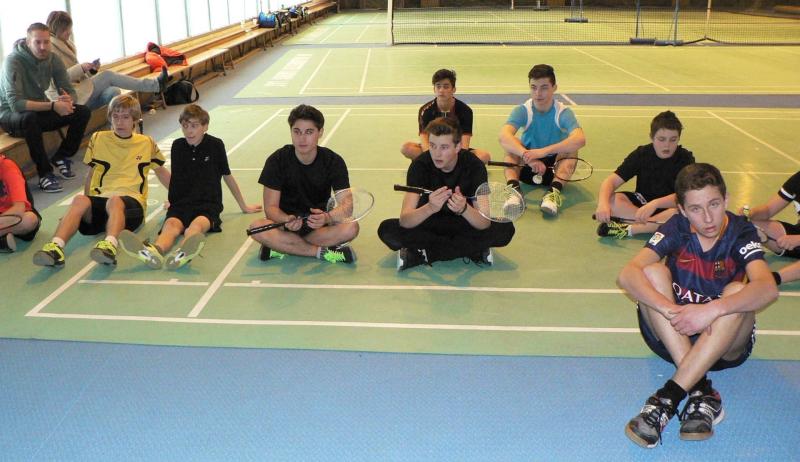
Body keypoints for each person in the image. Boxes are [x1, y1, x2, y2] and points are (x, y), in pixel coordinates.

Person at [617, 163, 778, 448]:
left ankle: (668, 398)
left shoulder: (740, 232)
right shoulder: (675, 228)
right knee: (651, 272)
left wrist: (711, 310)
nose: (707, 218)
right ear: (681, 210)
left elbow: (767, 287)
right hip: (672, 335)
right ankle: (703, 392)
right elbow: (627, 275)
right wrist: (670, 310)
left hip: (724, 346)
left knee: (737, 292)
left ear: (726, 200)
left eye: (714, 204)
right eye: (695, 209)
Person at [32, 94, 170, 267]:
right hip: (102, 202)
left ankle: (109, 246)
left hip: (131, 206)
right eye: (115, 116)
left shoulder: (146, 142)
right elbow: (91, 175)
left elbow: (162, 173)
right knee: (79, 200)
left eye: (125, 117)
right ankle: (55, 248)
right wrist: (78, 211)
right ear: (110, 118)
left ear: (135, 119)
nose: (119, 122)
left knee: (115, 201)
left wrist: (178, 200)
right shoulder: (98, 138)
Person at [118, 104, 261, 270]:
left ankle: (182, 253)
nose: (189, 131)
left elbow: (227, 176)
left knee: (196, 227)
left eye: (194, 126)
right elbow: (178, 178)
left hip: (207, 205)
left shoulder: (215, 145)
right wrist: (172, 200)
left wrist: (244, 206)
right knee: (170, 226)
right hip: (181, 203)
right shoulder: (178, 146)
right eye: (185, 126)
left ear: (205, 127)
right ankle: (154, 251)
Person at [379, 117, 515, 270]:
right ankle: (471, 250)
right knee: (387, 229)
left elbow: (484, 222)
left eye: (444, 147)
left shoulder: (475, 167)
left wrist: (464, 209)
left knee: (505, 229)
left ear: (458, 147)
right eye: (432, 146)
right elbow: (405, 220)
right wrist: (430, 208)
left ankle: (424, 254)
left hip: (464, 223)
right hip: (429, 224)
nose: (436, 153)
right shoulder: (419, 166)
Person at [249, 104, 358, 264]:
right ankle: (320, 252)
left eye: (309, 132)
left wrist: (327, 217)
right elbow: (271, 208)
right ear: (291, 132)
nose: (302, 138)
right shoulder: (277, 160)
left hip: (317, 226)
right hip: (285, 225)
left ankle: (281, 246)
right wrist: (286, 219)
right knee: (256, 228)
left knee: (351, 227)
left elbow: (347, 206)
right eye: (297, 131)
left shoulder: (333, 161)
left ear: (320, 132)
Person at [0, 22, 91, 193]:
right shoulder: (13, 62)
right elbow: (16, 104)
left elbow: (70, 91)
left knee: (82, 112)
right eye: (37, 42)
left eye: (46, 42)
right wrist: (53, 105)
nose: (43, 47)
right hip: (11, 116)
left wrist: (68, 99)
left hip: (37, 111)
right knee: (30, 118)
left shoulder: (53, 59)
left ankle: (62, 156)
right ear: (28, 42)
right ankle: (45, 174)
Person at [498, 64, 586, 216]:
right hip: (527, 165)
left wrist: (542, 152)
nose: (538, 93)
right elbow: (503, 136)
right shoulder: (523, 110)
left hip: (555, 170)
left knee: (572, 149)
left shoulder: (563, 113)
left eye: (544, 88)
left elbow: (580, 139)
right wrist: (528, 156)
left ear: (554, 88)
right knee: (511, 145)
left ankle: (552, 194)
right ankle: (514, 192)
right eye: (533, 87)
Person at [595, 111, 695, 239]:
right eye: (661, 139)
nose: (667, 145)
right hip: (640, 206)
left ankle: (630, 229)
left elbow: (686, 195)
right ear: (652, 137)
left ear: (679, 139)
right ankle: (653, 226)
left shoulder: (685, 158)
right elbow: (611, 181)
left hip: (669, 207)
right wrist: (602, 204)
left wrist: (655, 204)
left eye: (673, 140)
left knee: (680, 213)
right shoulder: (641, 154)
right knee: (611, 200)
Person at [45, 11, 168, 111]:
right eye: (66, 29)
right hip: (69, 98)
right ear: (57, 29)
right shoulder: (50, 49)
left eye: (69, 28)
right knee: (108, 75)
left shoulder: (64, 44)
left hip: (80, 92)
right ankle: (156, 85)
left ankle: (115, 130)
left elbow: (77, 78)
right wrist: (81, 68)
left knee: (113, 92)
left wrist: (91, 70)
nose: (69, 32)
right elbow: (57, 80)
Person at [400, 69, 491, 164]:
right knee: (407, 148)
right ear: (434, 89)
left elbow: (464, 145)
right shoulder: (425, 111)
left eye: (446, 87)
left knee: (484, 156)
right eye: (438, 86)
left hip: (455, 150)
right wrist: (434, 157)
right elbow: (425, 140)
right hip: (433, 150)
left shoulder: (465, 111)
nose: (441, 90)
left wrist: (452, 158)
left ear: (454, 89)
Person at [740, 170, 800, 285]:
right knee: (746, 225)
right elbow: (768, 210)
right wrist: (750, 213)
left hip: (797, 239)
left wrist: (797, 239)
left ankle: (773, 278)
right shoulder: (798, 179)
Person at [0, 153, 42, 252]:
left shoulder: (8, 167)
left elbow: (18, 210)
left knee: (30, 220)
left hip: (18, 215)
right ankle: (3, 240)